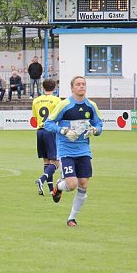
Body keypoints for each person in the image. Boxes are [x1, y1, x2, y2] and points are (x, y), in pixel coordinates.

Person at [44, 76, 104, 227]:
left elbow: (99, 125)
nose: (81, 86)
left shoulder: (91, 106)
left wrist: (95, 130)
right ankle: (59, 185)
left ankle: (72, 218)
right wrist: (63, 131)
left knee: (83, 184)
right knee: (71, 184)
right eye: (78, 84)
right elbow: (48, 123)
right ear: (72, 88)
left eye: (83, 84)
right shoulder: (64, 105)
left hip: (84, 150)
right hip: (66, 150)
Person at [31, 79, 62, 196]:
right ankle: (41, 179)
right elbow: (60, 116)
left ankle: (50, 190)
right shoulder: (57, 100)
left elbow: (34, 119)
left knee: (46, 161)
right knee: (55, 162)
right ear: (54, 88)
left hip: (40, 131)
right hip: (51, 131)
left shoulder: (36, 100)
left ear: (43, 88)